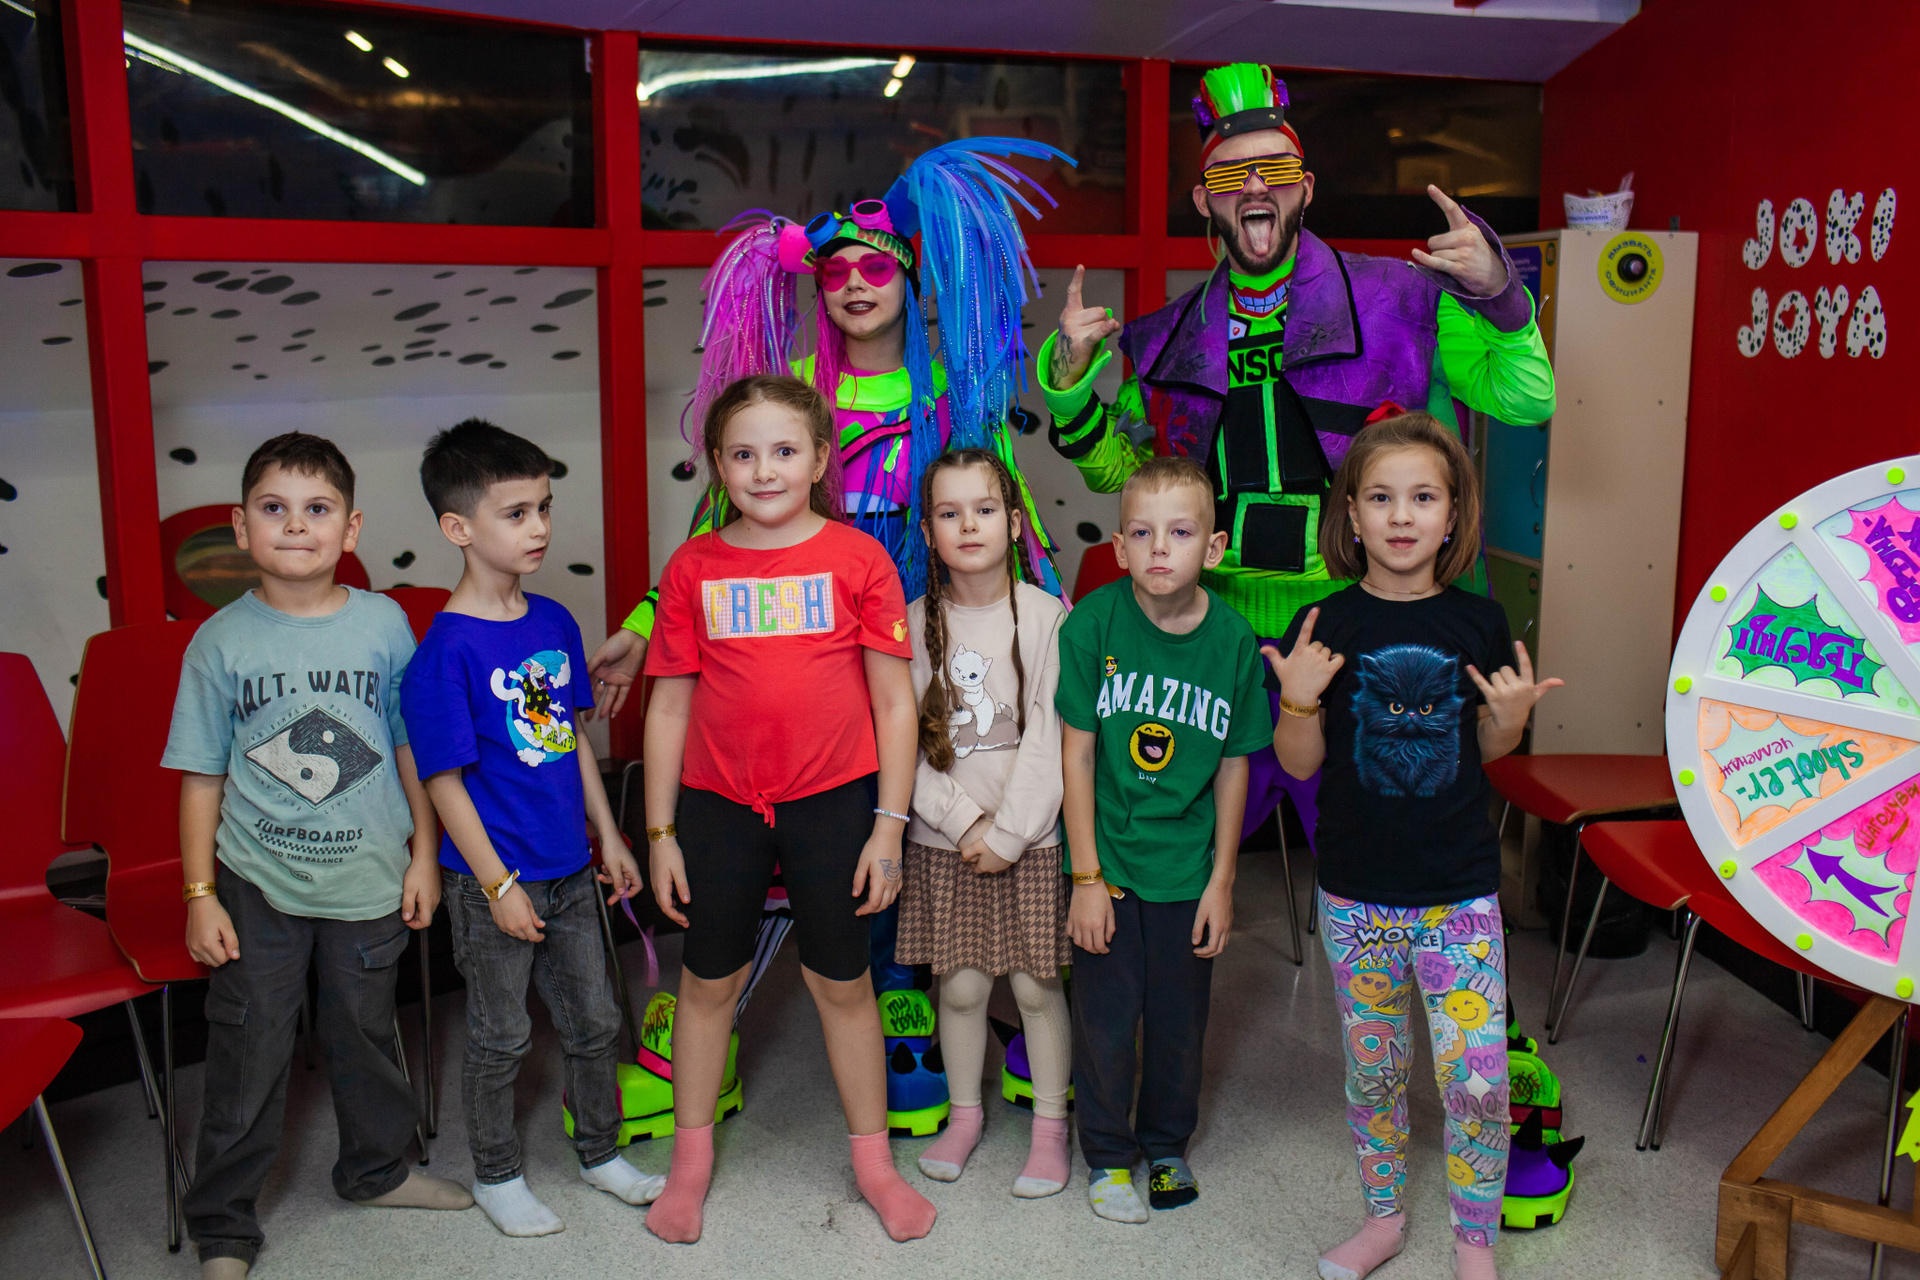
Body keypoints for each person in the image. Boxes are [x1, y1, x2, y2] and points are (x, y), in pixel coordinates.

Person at [1040, 62, 1556, 840]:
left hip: (1364, 620)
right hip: (1217, 632)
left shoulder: (1404, 300)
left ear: (1305, 187)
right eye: (1230, 175)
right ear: (1204, 200)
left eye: (1275, 171)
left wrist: (1500, 297)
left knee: (1377, 837)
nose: (1255, 187)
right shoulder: (1166, 338)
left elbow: (1527, 398)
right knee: (1180, 839)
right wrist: (1070, 386)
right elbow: (1129, 474)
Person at [164, 432, 471, 1279]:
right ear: (241, 527)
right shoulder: (219, 642)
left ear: (351, 527)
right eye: (274, 508)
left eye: (317, 508)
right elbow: (200, 777)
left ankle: (376, 1172)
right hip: (255, 883)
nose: (296, 525)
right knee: (249, 1049)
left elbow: (411, 748)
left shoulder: (384, 625)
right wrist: (199, 893)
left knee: (366, 1035)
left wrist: (423, 855)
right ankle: (224, 1226)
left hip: (368, 877)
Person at [1265, 412, 1562, 1280]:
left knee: (1477, 1082)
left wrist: (1509, 722)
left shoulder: (1480, 620)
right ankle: (1384, 1220)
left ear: (1453, 512)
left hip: (1458, 891)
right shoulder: (1323, 621)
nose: (1402, 516)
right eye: (1381, 498)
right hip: (1356, 895)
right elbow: (1300, 763)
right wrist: (1299, 702)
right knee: (1375, 1076)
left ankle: (1475, 1243)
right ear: (1351, 515)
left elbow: (1487, 750)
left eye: (1424, 497)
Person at [640, 374, 935, 1244]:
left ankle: (875, 1166)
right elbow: (668, 708)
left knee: (843, 985)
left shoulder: (859, 560)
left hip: (835, 805)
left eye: (782, 451)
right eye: (743, 454)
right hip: (719, 807)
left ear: (818, 459)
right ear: (717, 465)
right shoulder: (693, 567)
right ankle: (689, 1166)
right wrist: (660, 832)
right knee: (708, 984)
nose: (763, 470)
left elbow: (894, 704)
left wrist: (889, 826)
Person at [400, 419, 655, 1238]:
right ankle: (497, 1176)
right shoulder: (442, 654)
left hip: (571, 867)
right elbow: (442, 783)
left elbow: (570, 738)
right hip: (493, 882)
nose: (539, 527)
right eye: (516, 513)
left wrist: (609, 835)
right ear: (458, 528)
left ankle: (600, 1152)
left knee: (595, 1021)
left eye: (544, 507)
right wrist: (498, 885)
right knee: (500, 1035)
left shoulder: (553, 620)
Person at [1055, 455, 1273, 1223]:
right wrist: (1085, 879)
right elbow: (1076, 757)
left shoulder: (1234, 640)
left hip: (1189, 872)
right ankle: (1108, 1157)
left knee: (1181, 1026)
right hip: (1109, 867)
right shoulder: (1092, 624)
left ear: (1213, 548)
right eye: (1141, 533)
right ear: (1119, 548)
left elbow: (1235, 765)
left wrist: (1223, 882)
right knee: (1106, 1025)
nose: (1159, 549)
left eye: (1179, 533)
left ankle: (1167, 1146)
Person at [897, 447, 1071, 1197]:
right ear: (928, 531)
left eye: (985, 509)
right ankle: (965, 1117)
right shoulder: (912, 625)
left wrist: (1007, 834)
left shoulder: (1047, 617)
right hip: (948, 845)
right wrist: (965, 824)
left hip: (1030, 842)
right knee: (963, 989)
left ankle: (1051, 1131)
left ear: (1015, 522)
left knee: (1035, 990)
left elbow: (1052, 737)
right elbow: (901, 743)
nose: (969, 525)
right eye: (950, 512)